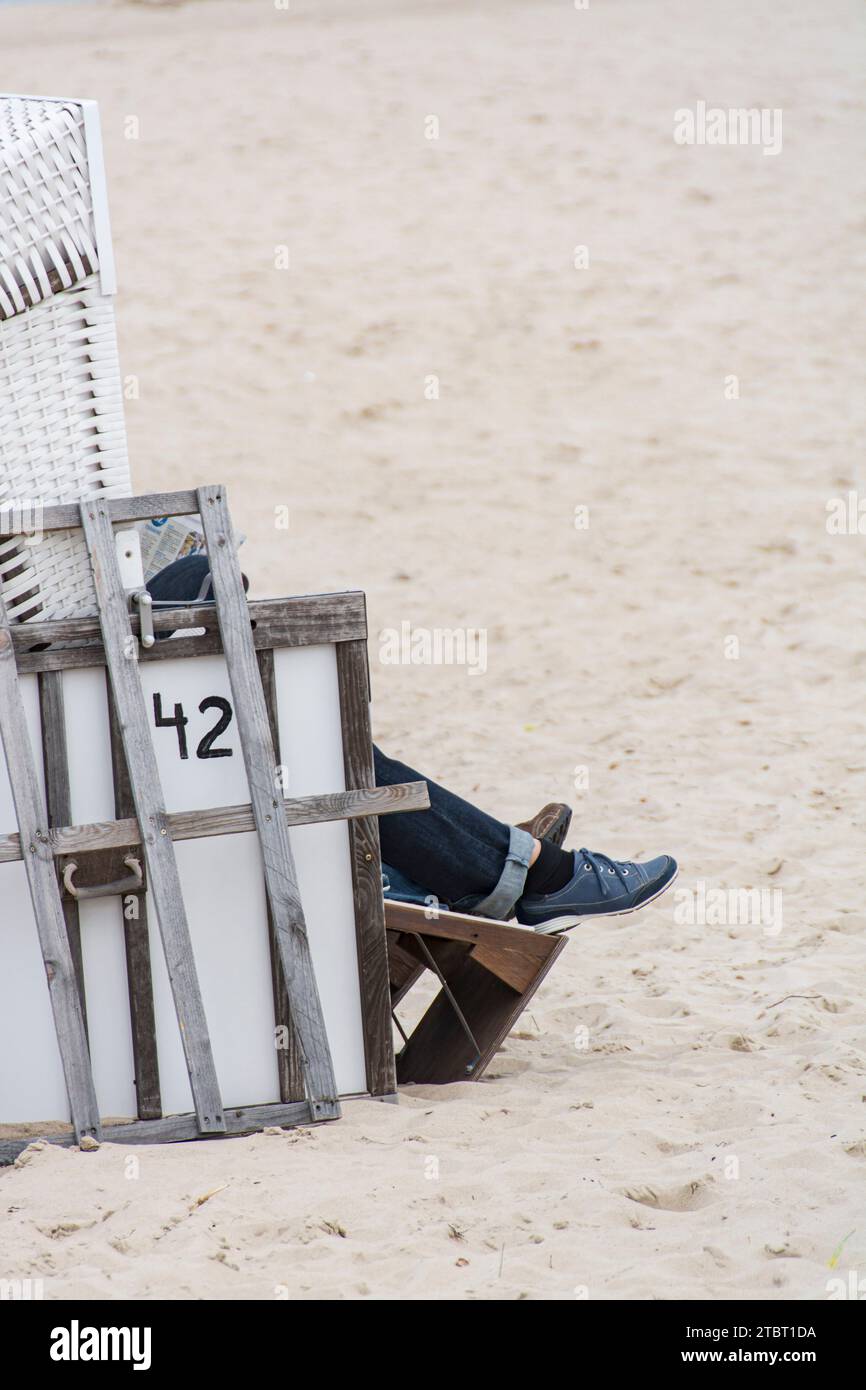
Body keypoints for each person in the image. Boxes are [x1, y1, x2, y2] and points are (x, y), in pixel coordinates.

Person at [147, 555, 678, 934]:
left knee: (340, 753)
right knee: (342, 761)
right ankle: (529, 873)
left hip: (197, 781)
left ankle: (508, 866)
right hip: (207, 823)